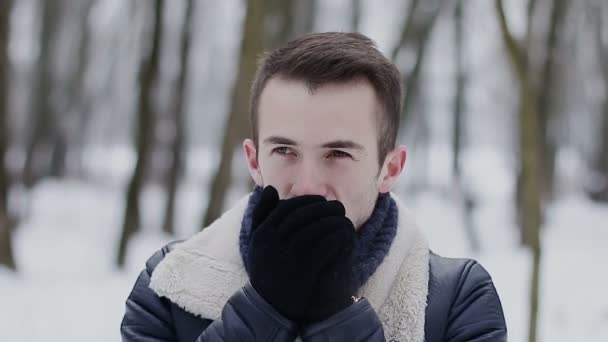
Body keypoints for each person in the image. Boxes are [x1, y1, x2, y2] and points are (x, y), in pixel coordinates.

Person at [121, 32, 507, 342]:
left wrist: (338, 317)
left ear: (390, 168)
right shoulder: (169, 287)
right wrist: (261, 309)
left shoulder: (456, 299)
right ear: (254, 161)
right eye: (285, 150)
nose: (307, 186)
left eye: (337, 153)